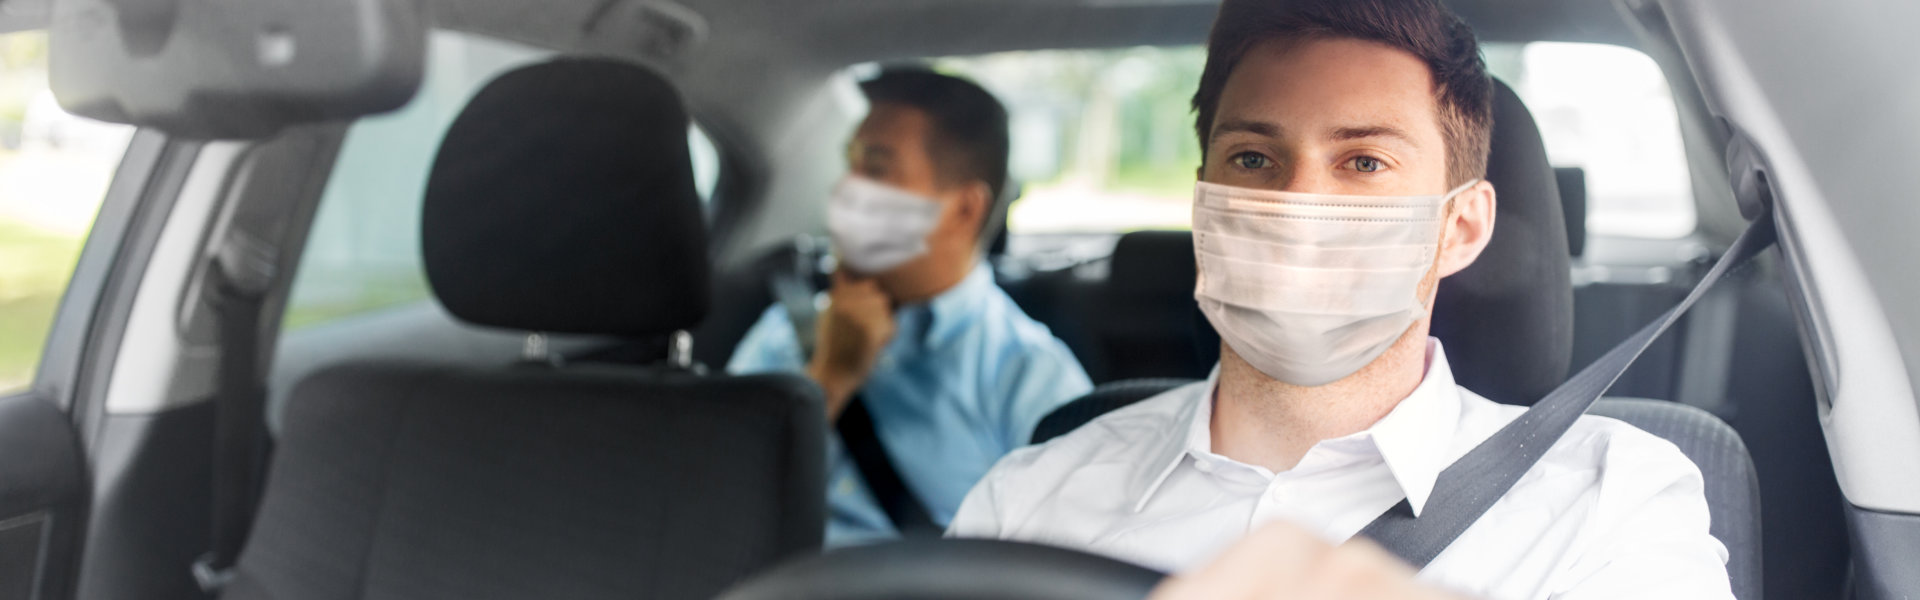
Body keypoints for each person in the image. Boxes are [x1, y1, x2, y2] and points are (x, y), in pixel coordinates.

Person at [947, 0, 1734, 598]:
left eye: (1362, 163)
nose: (1298, 205)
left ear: (1459, 226)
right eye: (1254, 158)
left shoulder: (1611, 498)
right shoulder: (1028, 497)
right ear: (1203, 204)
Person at [730, 67, 1093, 547]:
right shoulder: (783, 333)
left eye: (875, 169)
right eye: (849, 165)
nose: (844, 191)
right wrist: (829, 381)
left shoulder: (1031, 378)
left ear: (963, 209)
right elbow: (711, 502)